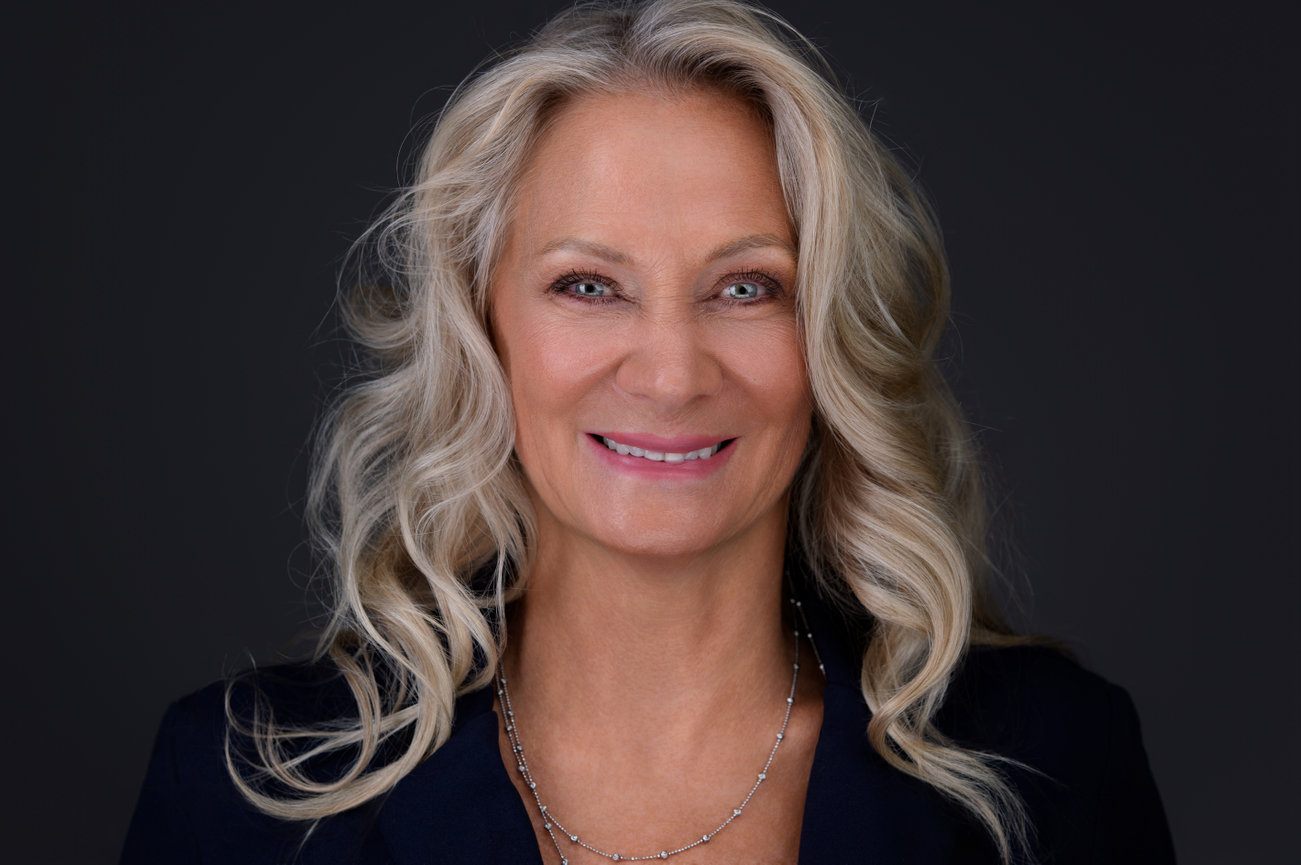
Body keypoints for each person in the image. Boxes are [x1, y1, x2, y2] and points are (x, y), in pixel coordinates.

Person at [121, 1, 1175, 862]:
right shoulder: (242, 791)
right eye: (587, 284)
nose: (670, 373)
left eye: (746, 286)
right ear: (480, 327)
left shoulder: (1052, 767)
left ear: (827, 341)